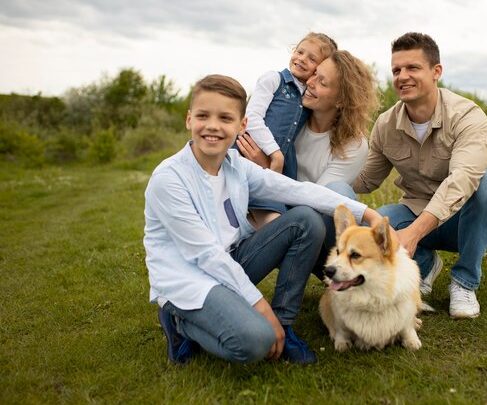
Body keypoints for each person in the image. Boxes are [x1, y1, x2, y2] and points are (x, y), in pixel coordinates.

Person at [143, 74, 382, 366]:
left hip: (233, 259)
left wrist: (366, 213)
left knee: (305, 220)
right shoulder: (169, 179)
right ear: (189, 119)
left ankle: (286, 323)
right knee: (255, 342)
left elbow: (298, 190)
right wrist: (260, 309)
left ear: (242, 126)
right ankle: (179, 320)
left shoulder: (236, 166)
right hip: (191, 276)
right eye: (203, 116)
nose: (213, 126)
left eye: (225, 118)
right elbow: (205, 256)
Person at [352, 32, 487, 319]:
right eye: (396, 70)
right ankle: (424, 263)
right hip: (415, 212)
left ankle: (464, 282)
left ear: (436, 72)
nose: (402, 76)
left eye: (412, 68)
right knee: (382, 218)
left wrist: (413, 233)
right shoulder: (385, 124)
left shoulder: (467, 115)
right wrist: (314, 173)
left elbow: (463, 180)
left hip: (462, 222)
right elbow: (366, 180)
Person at [237, 50, 380, 273]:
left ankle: (350, 266)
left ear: (341, 99)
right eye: (314, 75)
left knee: (339, 191)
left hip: (321, 232)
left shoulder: (354, 144)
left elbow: (317, 202)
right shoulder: (291, 123)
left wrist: (267, 171)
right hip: (278, 216)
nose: (309, 82)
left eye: (321, 82)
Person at [240, 32, 338, 227]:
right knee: (256, 214)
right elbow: (252, 118)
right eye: (300, 52)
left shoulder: (308, 97)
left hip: (280, 170)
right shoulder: (274, 80)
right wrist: (275, 154)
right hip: (251, 152)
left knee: (275, 220)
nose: (302, 59)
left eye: (312, 59)